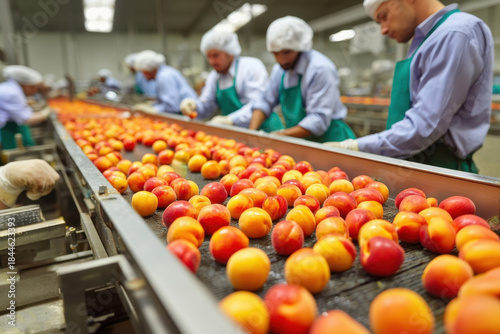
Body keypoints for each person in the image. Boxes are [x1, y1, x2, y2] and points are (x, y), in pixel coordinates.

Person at [327, 0, 494, 172]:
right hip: (413, 163)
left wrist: (354, 147)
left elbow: (426, 124)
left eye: (384, 16)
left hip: (441, 168)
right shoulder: (427, 39)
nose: (383, 30)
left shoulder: (454, 33)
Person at [249, 16, 355, 142]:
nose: (281, 60)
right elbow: (265, 102)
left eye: (287, 52)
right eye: (275, 53)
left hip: (331, 140)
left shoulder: (320, 69)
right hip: (302, 140)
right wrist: (251, 134)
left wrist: (279, 136)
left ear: (299, 47)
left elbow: (318, 119)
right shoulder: (280, 70)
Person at [179, 29, 284, 131]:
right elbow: (206, 105)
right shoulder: (214, 77)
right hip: (237, 135)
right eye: (208, 56)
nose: (211, 61)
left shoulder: (250, 67)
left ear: (229, 52)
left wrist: (230, 120)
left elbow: (258, 104)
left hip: (266, 131)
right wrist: (194, 106)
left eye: (215, 55)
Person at [0, 65, 53, 149]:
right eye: (34, 87)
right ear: (26, 85)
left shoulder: (11, 88)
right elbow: (26, 119)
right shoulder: (12, 93)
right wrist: (47, 112)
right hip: (4, 130)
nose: (35, 91)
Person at [132, 50, 197, 114]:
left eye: (143, 72)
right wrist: (153, 104)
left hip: (187, 112)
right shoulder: (165, 71)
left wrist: (153, 109)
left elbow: (173, 106)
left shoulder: (164, 77)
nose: (143, 76)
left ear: (150, 69)